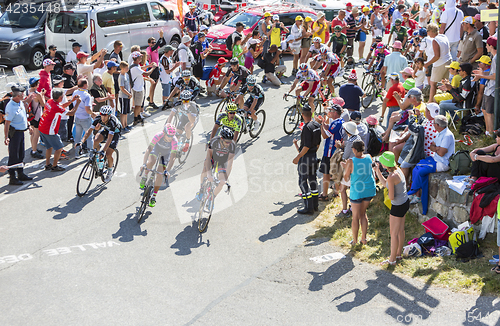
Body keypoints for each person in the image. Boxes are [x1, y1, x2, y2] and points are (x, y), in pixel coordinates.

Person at [408, 115, 454, 214]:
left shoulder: (447, 135)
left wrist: (436, 148)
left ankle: (413, 191)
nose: (433, 125)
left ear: (437, 125)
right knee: (416, 167)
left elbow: (441, 153)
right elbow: (431, 147)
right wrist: (438, 148)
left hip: (442, 163)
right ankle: (416, 194)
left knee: (421, 171)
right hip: (435, 159)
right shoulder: (440, 133)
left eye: (434, 124)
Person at [373, 151, 409, 265]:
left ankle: (392, 260)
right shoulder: (398, 170)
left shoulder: (391, 177)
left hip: (397, 206)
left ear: (385, 164)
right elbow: (386, 184)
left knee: (393, 234)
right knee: (400, 230)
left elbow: (392, 196)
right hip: (405, 203)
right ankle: (398, 254)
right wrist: (377, 171)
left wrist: (388, 194)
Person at [343, 140, 376, 245]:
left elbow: (346, 177)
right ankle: (364, 239)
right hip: (370, 189)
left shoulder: (350, 161)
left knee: (355, 216)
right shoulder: (369, 157)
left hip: (357, 192)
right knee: (363, 213)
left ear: (354, 149)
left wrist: (345, 168)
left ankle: (355, 241)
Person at [38, 89, 80, 172]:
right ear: (60, 97)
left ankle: (47, 164)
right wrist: (77, 103)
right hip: (49, 130)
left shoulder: (50, 101)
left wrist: (71, 100)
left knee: (49, 147)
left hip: (42, 127)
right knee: (59, 148)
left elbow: (61, 106)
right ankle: (54, 166)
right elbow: (71, 113)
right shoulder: (56, 107)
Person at [78, 105, 121, 182]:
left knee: (108, 153)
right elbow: (89, 131)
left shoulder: (112, 122)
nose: (103, 118)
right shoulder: (98, 118)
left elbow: (110, 138)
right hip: (106, 130)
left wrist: (103, 151)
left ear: (109, 115)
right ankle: (97, 158)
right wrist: (82, 142)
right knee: (95, 140)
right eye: (102, 115)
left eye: (105, 116)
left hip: (115, 133)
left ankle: (110, 171)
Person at [292, 104, 321, 214]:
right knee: (313, 180)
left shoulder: (306, 128)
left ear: (303, 115)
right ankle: (315, 205)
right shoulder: (317, 125)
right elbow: (318, 144)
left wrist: (297, 157)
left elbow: (306, 146)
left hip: (305, 159)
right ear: (312, 113)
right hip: (314, 157)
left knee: (303, 182)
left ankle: (308, 207)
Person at [195, 127, 236, 206]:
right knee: (205, 170)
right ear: (221, 138)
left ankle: (212, 198)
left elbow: (230, 163)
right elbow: (208, 158)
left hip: (223, 161)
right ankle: (201, 189)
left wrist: (225, 178)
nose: (228, 144)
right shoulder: (214, 141)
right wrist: (209, 174)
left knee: (222, 182)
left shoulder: (232, 145)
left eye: (229, 142)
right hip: (213, 157)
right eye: (226, 142)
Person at [139, 123, 177, 207]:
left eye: (172, 136)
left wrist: (167, 170)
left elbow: (173, 157)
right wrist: (144, 163)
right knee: (151, 162)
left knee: (160, 173)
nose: (171, 138)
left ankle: (154, 196)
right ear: (164, 133)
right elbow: (149, 149)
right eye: (169, 136)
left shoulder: (174, 141)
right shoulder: (158, 135)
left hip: (166, 154)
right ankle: (145, 176)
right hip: (156, 149)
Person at [3, 85, 35, 185]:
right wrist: (6, 137)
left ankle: (20, 173)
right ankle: (12, 177)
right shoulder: (10, 107)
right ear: (19, 95)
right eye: (23, 95)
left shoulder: (20, 102)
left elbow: (23, 115)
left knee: (21, 154)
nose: (24, 96)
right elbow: (7, 123)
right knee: (14, 156)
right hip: (14, 134)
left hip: (21, 132)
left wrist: (28, 125)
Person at [316, 104, 344, 200]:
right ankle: (336, 192)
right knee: (335, 173)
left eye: (331, 110)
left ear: (335, 112)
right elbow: (330, 128)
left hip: (329, 152)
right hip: (335, 152)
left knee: (326, 173)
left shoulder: (337, 123)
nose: (329, 112)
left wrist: (320, 126)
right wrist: (323, 123)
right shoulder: (340, 121)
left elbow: (325, 135)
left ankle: (324, 195)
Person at [473, 36, 497, 135]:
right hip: (489, 88)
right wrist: (481, 74)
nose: (486, 46)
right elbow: (491, 74)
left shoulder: (496, 58)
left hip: (492, 89)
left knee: (489, 112)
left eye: (486, 44)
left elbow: (495, 77)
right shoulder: (493, 56)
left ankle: (491, 134)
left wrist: (481, 76)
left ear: (491, 46)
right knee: (485, 110)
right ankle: (487, 132)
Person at [423, 23, 452, 103]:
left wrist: (427, 64)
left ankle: (430, 101)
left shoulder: (435, 40)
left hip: (440, 63)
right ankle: (447, 100)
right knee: (446, 82)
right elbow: (449, 49)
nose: (427, 33)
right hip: (449, 61)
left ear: (432, 31)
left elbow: (437, 56)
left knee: (433, 84)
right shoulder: (444, 36)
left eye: (428, 31)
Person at [130, 51, 156, 126]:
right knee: (138, 105)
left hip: (138, 87)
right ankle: (136, 119)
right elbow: (146, 74)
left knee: (139, 104)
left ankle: (138, 117)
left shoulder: (135, 65)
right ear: (137, 58)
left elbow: (141, 68)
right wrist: (153, 68)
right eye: (140, 57)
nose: (141, 57)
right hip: (138, 89)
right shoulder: (135, 68)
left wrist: (149, 65)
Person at [72, 79, 95, 159]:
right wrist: (93, 113)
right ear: (85, 85)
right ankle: (91, 154)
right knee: (89, 137)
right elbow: (87, 109)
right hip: (86, 119)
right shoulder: (86, 95)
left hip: (77, 117)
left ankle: (77, 154)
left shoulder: (75, 92)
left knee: (78, 137)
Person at [146, 31, 167, 109]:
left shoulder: (155, 47)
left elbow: (163, 43)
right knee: (153, 85)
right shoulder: (149, 49)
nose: (154, 43)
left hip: (156, 67)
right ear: (149, 43)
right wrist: (159, 38)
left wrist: (162, 37)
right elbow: (155, 47)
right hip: (153, 68)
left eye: (154, 42)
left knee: (154, 84)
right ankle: (151, 102)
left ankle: (149, 97)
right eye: (152, 42)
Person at [27, 77, 45, 159]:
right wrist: (42, 95)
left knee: (33, 133)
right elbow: (43, 104)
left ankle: (33, 148)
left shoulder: (28, 91)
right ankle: (34, 151)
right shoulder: (37, 94)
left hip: (31, 115)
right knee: (36, 134)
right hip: (37, 116)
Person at [62, 64, 77, 142]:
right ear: (66, 70)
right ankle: (68, 135)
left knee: (71, 119)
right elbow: (70, 90)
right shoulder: (65, 79)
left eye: (74, 70)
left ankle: (69, 134)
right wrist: (78, 86)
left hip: (71, 101)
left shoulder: (70, 77)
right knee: (69, 119)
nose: (73, 71)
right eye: (72, 70)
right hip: (67, 102)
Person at [118, 61, 132, 132]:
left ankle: (126, 124)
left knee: (126, 111)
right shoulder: (121, 77)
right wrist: (129, 94)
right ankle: (123, 126)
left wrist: (130, 92)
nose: (128, 69)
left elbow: (129, 84)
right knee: (123, 112)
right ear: (122, 68)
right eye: (126, 68)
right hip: (123, 96)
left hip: (127, 95)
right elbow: (122, 88)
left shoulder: (126, 75)